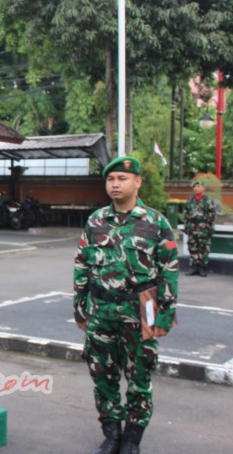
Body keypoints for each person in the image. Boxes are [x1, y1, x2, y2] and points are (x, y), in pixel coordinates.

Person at [73, 156, 178, 454]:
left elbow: (169, 269)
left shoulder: (156, 222)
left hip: (142, 309)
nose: (115, 184)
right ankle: (112, 435)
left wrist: (166, 315)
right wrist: (79, 305)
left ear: (137, 182)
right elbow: (81, 265)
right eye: (111, 179)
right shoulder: (95, 221)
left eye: (122, 178)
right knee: (101, 375)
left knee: (140, 376)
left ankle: (132, 439)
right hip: (101, 310)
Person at [184, 177, 216, 277]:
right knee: (192, 247)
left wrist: (210, 229)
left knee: (203, 249)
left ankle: (202, 267)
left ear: (203, 188)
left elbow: (212, 215)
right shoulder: (190, 200)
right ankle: (193, 266)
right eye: (195, 186)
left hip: (204, 229)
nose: (196, 188)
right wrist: (186, 227)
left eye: (198, 186)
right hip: (192, 228)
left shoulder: (208, 201)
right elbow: (186, 214)